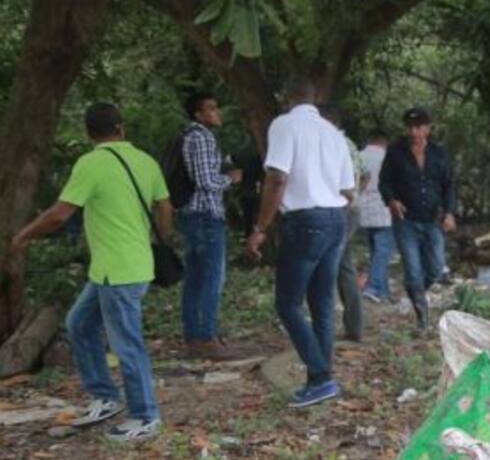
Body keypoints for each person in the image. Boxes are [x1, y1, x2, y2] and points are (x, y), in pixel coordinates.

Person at [9, 102, 171, 440]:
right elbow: (164, 205)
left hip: (120, 271)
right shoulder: (145, 161)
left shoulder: (91, 163)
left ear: (88, 133)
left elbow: (60, 213)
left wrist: (24, 235)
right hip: (118, 268)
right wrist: (158, 241)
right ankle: (104, 396)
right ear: (121, 127)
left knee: (127, 343)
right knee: (79, 324)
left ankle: (145, 416)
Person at [246, 76, 354, 408]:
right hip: (336, 219)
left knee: (288, 303)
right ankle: (321, 380)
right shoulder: (333, 133)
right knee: (321, 302)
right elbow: (349, 190)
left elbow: (277, 177)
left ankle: (320, 376)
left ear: (285, 98)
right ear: (315, 98)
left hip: (306, 221)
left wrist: (260, 227)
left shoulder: (284, 125)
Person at [378, 106, 457, 329]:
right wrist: (391, 200)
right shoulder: (395, 152)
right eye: (410, 127)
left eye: (419, 127)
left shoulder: (439, 154)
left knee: (435, 267)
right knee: (412, 269)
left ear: (428, 129)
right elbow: (384, 182)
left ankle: (415, 290)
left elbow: (449, 185)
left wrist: (449, 212)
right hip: (406, 221)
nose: (414, 132)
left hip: (433, 220)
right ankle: (422, 316)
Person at [178, 91, 242, 359]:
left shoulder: (190, 137)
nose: (218, 113)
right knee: (212, 278)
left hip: (193, 215)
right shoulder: (202, 137)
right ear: (198, 114)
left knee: (194, 278)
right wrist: (231, 179)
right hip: (206, 215)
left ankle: (194, 336)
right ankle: (207, 337)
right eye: (211, 108)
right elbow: (205, 181)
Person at [319, 105, 365, 342]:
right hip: (351, 209)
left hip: (340, 210)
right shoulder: (350, 143)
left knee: (328, 265)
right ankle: (354, 326)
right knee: (344, 268)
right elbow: (363, 176)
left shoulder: (332, 144)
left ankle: (324, 327)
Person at [356, 130, 394, 302]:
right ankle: (373, 288)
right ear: (384, 142)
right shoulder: (388, 157)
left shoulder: (358, 156)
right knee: (383, 251)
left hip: (361, 210)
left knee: (375, 252)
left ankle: (383, 292)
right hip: (384, 210)